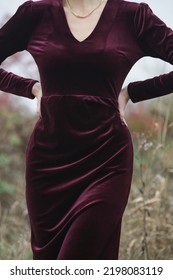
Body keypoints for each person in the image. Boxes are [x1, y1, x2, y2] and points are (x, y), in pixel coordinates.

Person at [0, 0, 173, 260]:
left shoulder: (134, 16)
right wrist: (31, 88)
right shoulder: (35, 13)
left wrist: (132, 93)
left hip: (107, 162)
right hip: (47, 166)